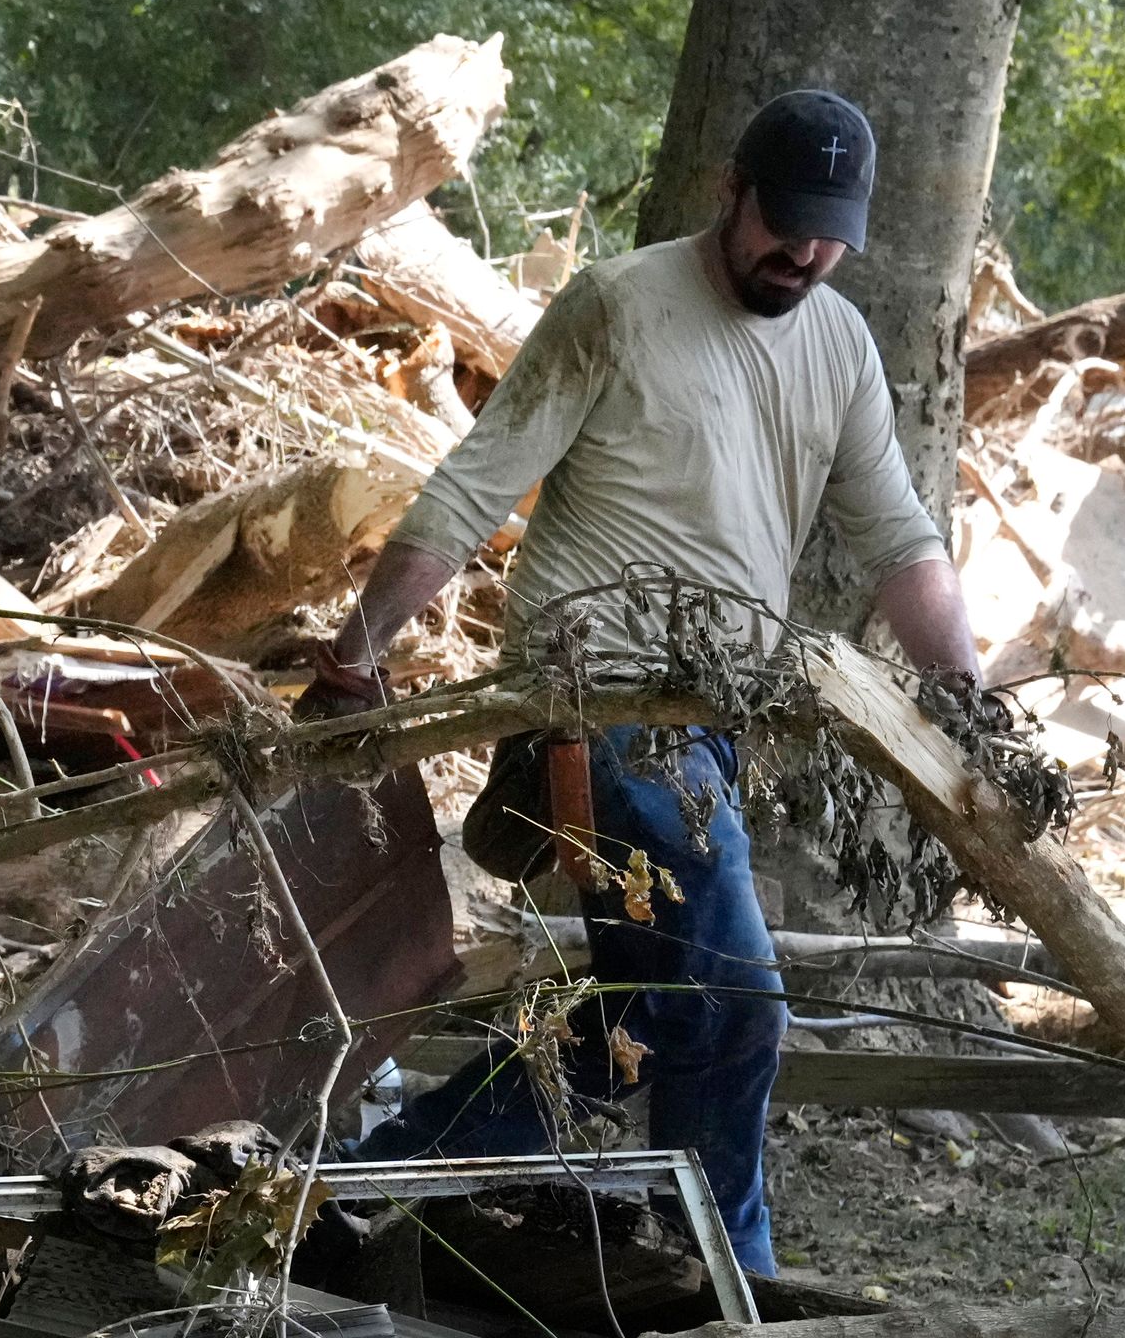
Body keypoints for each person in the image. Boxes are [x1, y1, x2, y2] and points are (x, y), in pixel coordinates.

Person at [307, 86, 984, 1277]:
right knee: (740, 1005)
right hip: (591, 714)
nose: (806, 253)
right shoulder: (617, 306)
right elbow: (472, 488)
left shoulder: (838, 346)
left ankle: (366, 1181)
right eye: (786, 224)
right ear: (733, 191)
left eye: (831, 233)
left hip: (709, 730)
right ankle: (740, 1280)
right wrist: (358, 652)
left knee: (644, 1010)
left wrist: (970, 699)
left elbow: (903, 544)